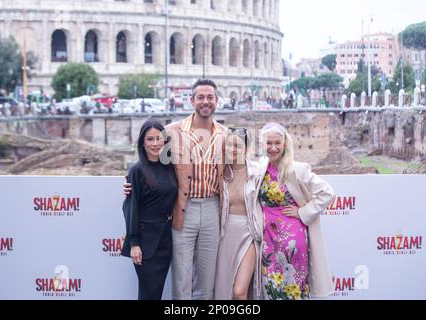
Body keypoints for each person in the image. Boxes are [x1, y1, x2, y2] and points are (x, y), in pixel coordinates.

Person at [124, 79, 227, 300]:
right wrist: (130, 183)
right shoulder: (171, 132)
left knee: (206, 282)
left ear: (217, 101)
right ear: (192, 100)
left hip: (212, 209)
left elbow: (238, 172)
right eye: (200, 97)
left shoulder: (226, 135)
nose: (205, 101)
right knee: (181, 281)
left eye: (210, 97)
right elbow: (149, 159)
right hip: (183, 210)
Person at [256, 122, 335, 300]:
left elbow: (327, 192)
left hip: (292, 239)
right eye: (269, 143)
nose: (273, 148)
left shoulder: (297, 169)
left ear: (285, 144)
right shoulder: (259, 170)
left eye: (278, 143)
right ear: (263, 144)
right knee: (270, 288)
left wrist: (303, 212)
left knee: (293, 288)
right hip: (267, 239)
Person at [121, 119, 178, 300]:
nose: (155, 143)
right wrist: (134, 244)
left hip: (165, 240)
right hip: (145, 243)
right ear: (143, 144)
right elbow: (131, 208)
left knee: (157, 293)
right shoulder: (136, 171)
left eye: (159, 138)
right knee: (148, 295)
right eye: (150, 139)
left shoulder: (170, 167)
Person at [214, 127, 263, 300]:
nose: (232, 149)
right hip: (224, 234)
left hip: (249, 232)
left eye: (238, 146)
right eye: (229, 145)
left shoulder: (258, 172)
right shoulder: (219, 172)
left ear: (247, 148)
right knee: (223, 289)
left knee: (240, 292)